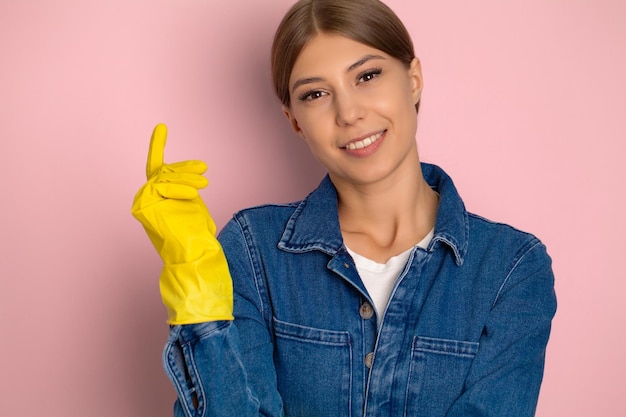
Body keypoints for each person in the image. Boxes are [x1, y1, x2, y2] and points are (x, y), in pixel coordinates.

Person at [132, 0, 557, 415]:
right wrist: (200, 310)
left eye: (367, 75)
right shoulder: (252, 251)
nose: (349, 112)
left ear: (413, 80)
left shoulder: (511, 269)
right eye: (316, 94)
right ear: (294, 120)